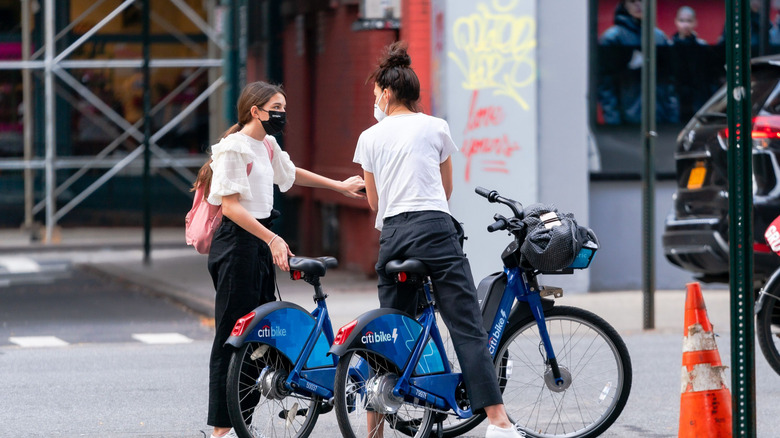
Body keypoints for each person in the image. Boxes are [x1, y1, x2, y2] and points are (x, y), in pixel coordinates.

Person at [352, 41, 523, 438]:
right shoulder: (437, 127)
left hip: (393, 235)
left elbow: (375, 202)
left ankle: (375, 431)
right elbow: (445, 191)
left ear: (388, 93)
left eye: (376, 92)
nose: (375, 99)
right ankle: (497, 422)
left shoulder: (369, 137)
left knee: (391, 330)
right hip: (434, 229)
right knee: (465, 324)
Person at [192, 81, 365, 438]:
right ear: (255, 111)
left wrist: (339, 186)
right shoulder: (233, 148)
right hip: (237, 246)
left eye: (284, 107)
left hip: (257, 242)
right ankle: (221, 430)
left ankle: (244, 421)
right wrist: (272, 238)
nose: (282, 114)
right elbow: (231, 207)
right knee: (232, 336)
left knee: (262, 335)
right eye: (276, 107)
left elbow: (291, 174)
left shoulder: (267, 145)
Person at [597, 0, 679, 125]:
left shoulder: (659, 37)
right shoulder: (612, 39)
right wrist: (614, 123)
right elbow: (605, 86)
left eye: (641, 1)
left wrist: (673, 117)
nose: (638, 5)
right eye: (632, 1)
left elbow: (670, 82)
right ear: (624, 4)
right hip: (627, 123)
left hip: (661, 121)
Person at [670, 6, 718, 122]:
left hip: (698, 98)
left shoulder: (703, 48)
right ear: (676, 21)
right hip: (676, 99)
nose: (685, 25)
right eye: (682, 20)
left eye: (689, 21)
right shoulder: (669, 48)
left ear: (695, 22)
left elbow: (711, 75)